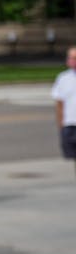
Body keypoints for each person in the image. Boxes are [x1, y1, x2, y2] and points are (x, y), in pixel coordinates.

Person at [50, 46, 76, 177]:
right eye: (70, 57)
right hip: (69, 124)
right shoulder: (63, 78)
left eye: (74, 58)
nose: (71, 60)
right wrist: (61, 124)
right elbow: (59, 103)